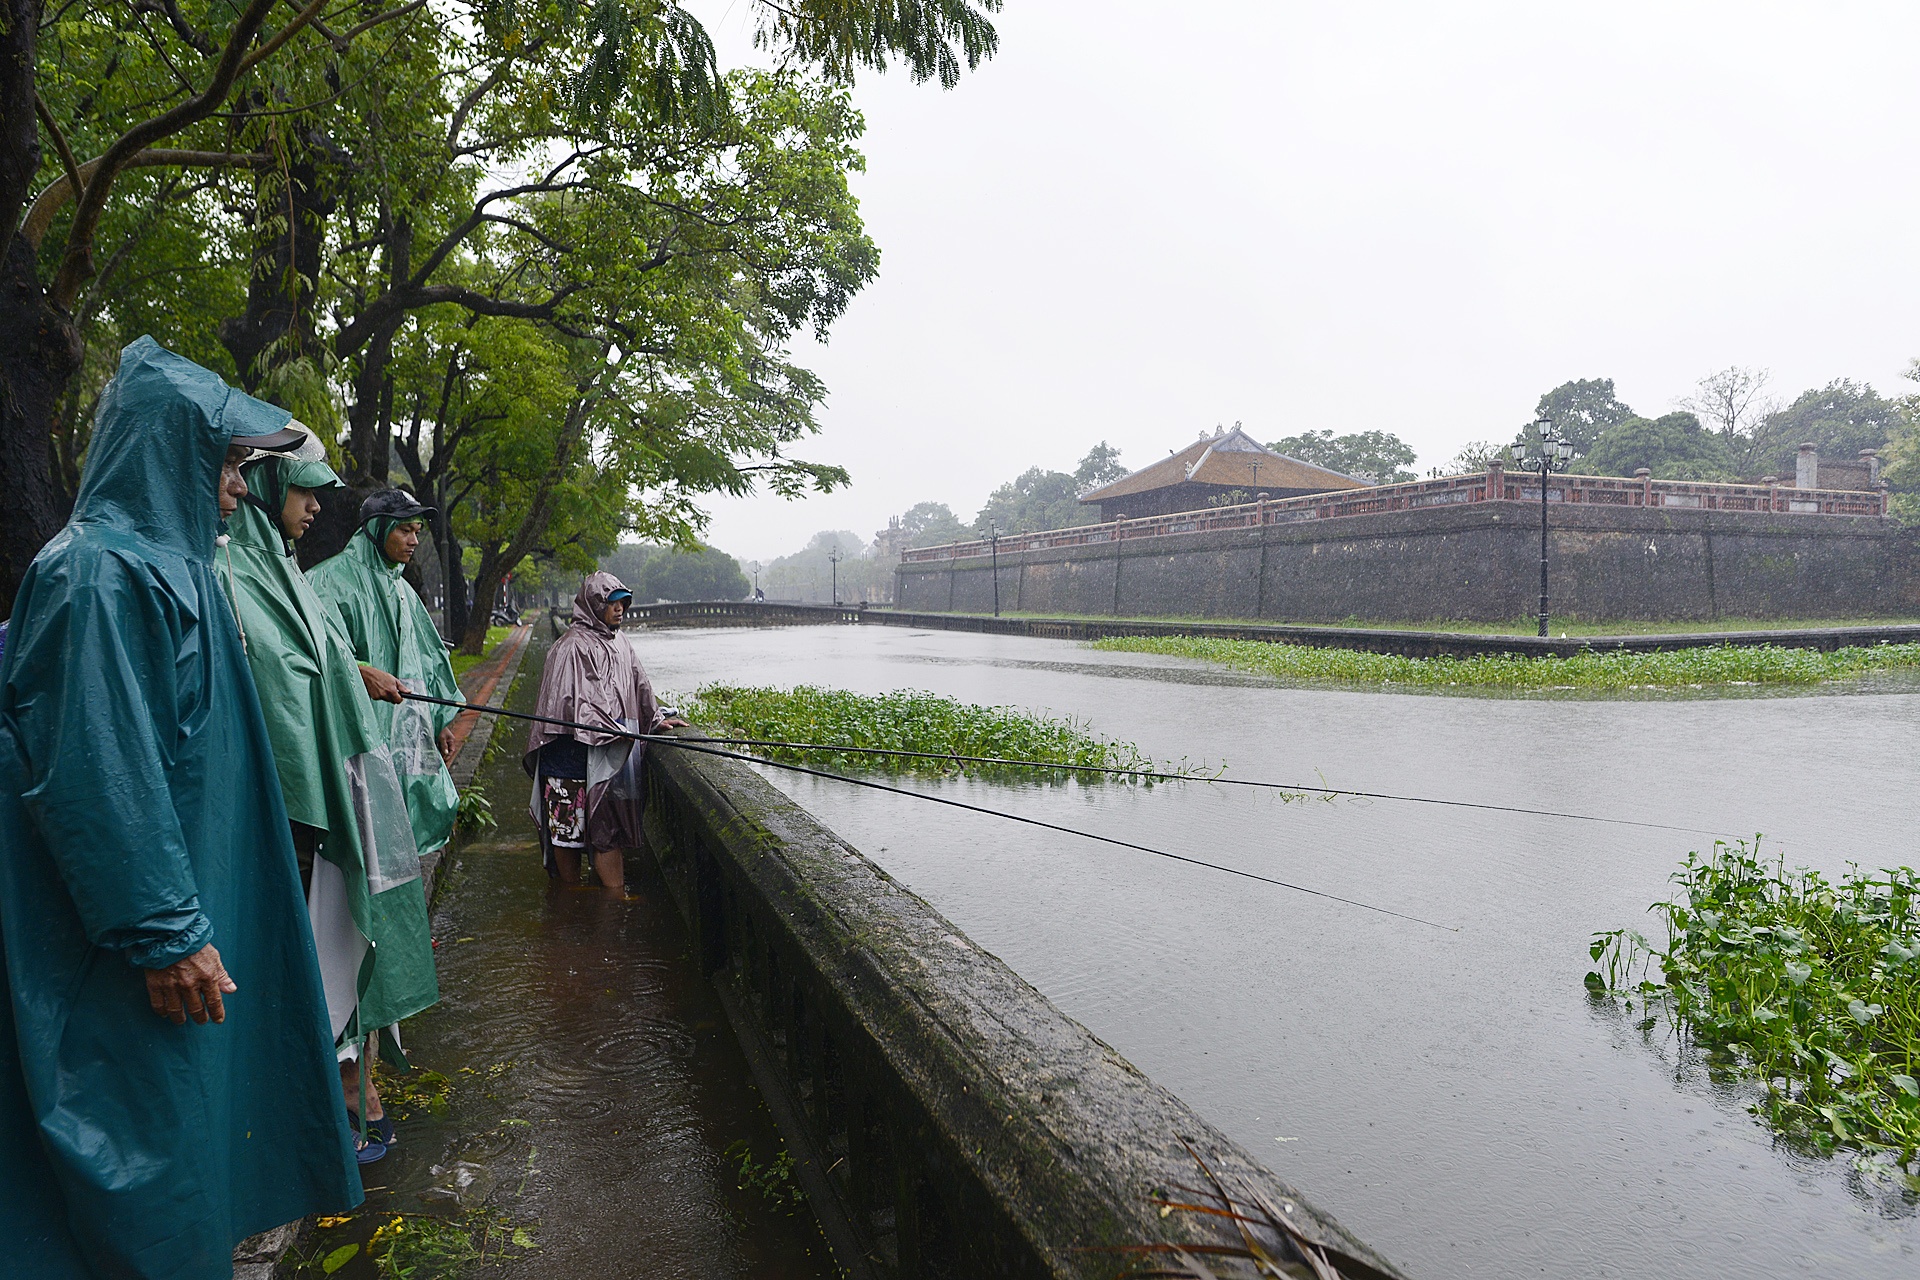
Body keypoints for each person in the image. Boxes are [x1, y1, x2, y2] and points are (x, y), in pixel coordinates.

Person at [0, 337, 360, 1277]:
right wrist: (164, 929)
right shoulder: (97, 576)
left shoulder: (176, 568)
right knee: (139, 1151)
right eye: (229, 464)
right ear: (169, 454)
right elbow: (97, 767)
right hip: (128, 950)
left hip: (186, 912)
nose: (239, 489)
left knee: (188, 1135)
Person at [223, 447, 439, 1163]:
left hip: (350, 785)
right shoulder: (233, 575)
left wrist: (360, 674)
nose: (317, 507)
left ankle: (353, 1079)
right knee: (321, 944)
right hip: (301, 803)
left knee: (349, 934)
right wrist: (353, 673)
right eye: (305, 491)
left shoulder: (283, 570)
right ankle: (341, 1091)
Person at [308, 490, 462, 862]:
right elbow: (320, 654)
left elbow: (427, 659)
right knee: (363, 834)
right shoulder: (328, 580)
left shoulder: (402, 589)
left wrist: (439, 719)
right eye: (404, 530)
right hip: (359, 734)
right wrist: (361, 671)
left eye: (417, 532)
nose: (414, 541)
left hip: (406, 732)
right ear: (377, 528)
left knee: (403, 834)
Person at [525, 572, 686, 894]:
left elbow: (639, 683)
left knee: (608, 830)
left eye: (623, 603)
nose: (619, 609)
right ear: (594, 604)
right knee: (567, 833)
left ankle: (612, 898)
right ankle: (570, 897)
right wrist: (607, 729)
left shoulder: (620, 643)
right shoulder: (569, 647)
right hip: (567, 756)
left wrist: (654, 718)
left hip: (606, 754)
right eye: (612, 603)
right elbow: (569, 704)